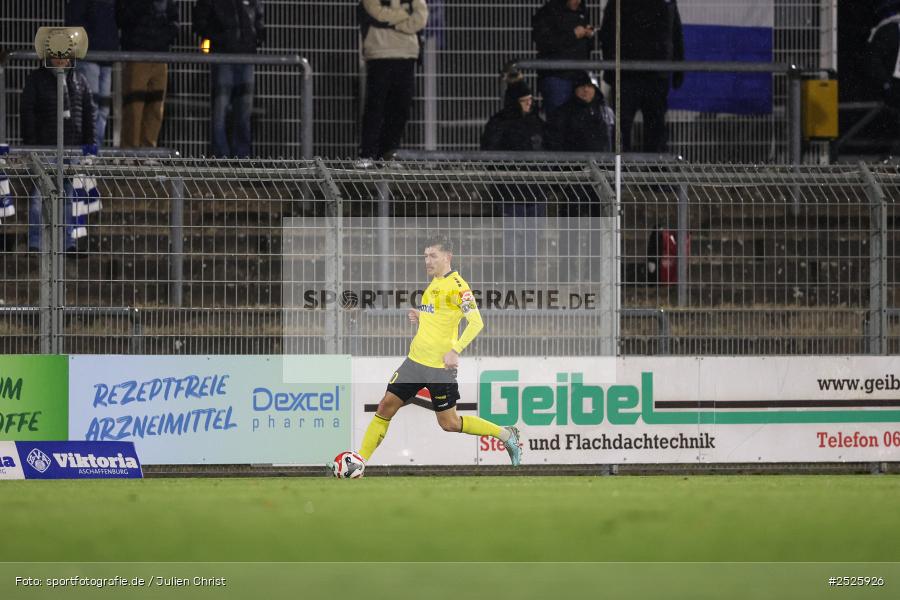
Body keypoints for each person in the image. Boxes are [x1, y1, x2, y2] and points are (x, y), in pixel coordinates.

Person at [357, 235, 522, 466]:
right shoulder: (434, 282)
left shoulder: (458, 286)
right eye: (425, 256)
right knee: (385, 406)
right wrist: (422, 316)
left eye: (433, 255)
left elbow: (476, 322)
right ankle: (359, 462)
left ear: (447, 257)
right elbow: (441, 317)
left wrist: (455, 350)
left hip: (439, 369)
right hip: (414, 362)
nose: (427, 260)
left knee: (449, 423)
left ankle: (506, 435)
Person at [21, 59, 96, 252]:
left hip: (72, 147)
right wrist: (31, 144)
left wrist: (89, 145)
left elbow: (88, 112)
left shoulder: (80, 79)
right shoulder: (37, 79)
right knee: (39, 195)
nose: (61, 59)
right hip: (45, 146)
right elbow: (27, 111)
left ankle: (68, 242)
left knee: (69, 196)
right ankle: (36, 242)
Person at [481, 79, 546, 283]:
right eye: (524, 100)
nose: (529, 104)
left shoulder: (536, 122)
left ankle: (526, 275)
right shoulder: (500, 122)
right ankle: (513, 277)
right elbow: (489, 152)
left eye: (530, 100)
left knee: (532, 236)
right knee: (513, 236)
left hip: (535, 189)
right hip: (510, 189)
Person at [599, 0, 684, 152]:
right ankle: (626, 169)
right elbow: (608, 33)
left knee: (650, 126)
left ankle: (648, 169)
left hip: (648, 74)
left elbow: (674, 31)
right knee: (627, 126)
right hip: (633, 74)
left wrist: (678, 66)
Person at [193, 0, 266, 158]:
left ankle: (241, 157)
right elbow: (199, 22)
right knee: (221, 109)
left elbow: (258, 17)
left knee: (244, 111)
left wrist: (256, 36)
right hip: (223, 56)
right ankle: (221, 157)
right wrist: (221, 38)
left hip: (245, 56)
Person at [358, 0, 429, 161]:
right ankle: (367, 154)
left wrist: (396, 24)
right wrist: (405, 15)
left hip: (407, 54)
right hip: (379, 52)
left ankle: (388, 154)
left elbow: (421, 18)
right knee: (375, 107)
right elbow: (375, 13)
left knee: (400, 109)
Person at [116, 0, 179, 148]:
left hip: (159, 55)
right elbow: (122, 17)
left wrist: (162, 39)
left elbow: (174, 22)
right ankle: (130, 152)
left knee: (156, 108)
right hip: (138, 54)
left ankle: (147, 150)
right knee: (134, 108)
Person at [65, 0, 118, 145]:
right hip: (90, 56)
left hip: (106, 56)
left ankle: (93, 150)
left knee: (102, 109)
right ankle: (87, 150)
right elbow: (74, 22)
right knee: (90, 107)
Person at [532, 0, 596, 118]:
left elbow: (587, 47)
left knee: (579, 121)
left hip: (579, 76)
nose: (578, 1)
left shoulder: (582, 11)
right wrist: (572, 35)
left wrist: (589, 35)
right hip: (557, 76)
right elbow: (544, 42)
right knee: (558, 120)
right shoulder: (548, 12)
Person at [868, 0, 900, 154]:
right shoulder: (888, 30)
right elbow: (874, 60)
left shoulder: (886, 29)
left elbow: (874, 59)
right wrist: (885, 83)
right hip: (892, 87)